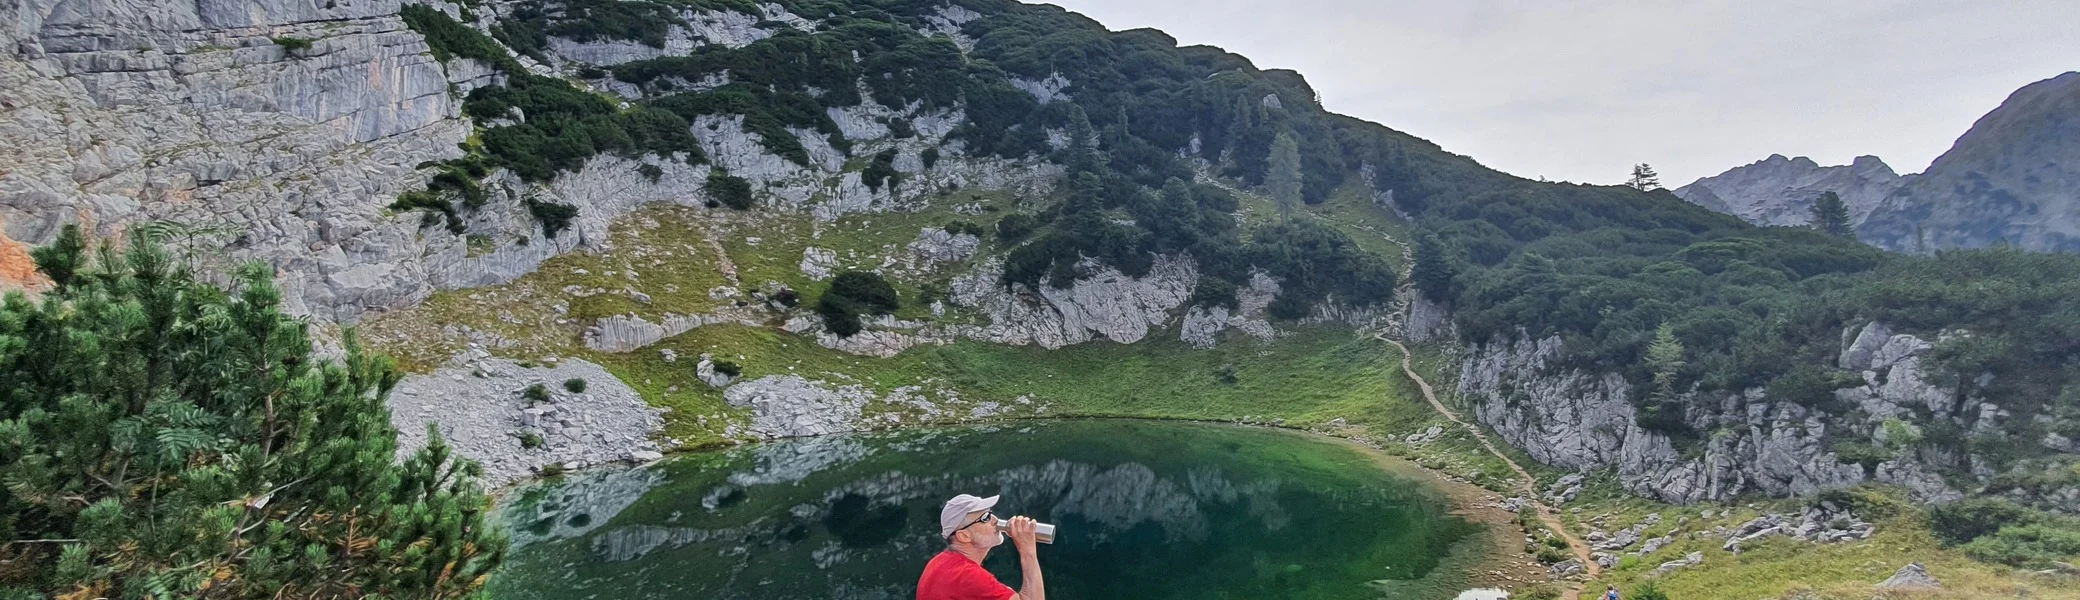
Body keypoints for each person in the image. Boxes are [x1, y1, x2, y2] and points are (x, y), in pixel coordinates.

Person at [917, 494, 1046, 600]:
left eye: (990, 513)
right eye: (985, 518)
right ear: (964, 536)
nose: (995, 519)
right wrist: (1027, 550)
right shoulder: (967, 575)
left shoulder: (938, 562)